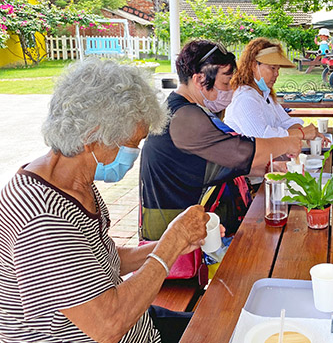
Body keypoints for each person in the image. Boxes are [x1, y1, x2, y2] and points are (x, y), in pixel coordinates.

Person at [0, 59, 209, 343]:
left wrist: (172, 245)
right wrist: (170, 245)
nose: (133, 154)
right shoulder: (41, 218)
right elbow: (108, 326)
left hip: (140, 325)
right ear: (92, 137)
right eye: (132, 143)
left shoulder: (72, 181)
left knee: (222, 323)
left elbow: (99, 260)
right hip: (113, 327)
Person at [140, 40, 301, 241]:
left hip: (189, 225)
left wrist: (265, 168)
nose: (230, 91)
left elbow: (212, 160)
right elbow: (241, 151)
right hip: (176, 238)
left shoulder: (185, 110)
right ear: (199, 80)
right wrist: (289, 141)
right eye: (225, 84)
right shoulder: (185, 118)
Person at [224, 37, 321, 142]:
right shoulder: (245, 98)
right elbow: (262, 136)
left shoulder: (265, 95)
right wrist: (301, 133)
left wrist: (309, 132)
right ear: (254, 66)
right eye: (272, 68)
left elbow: (285, 122)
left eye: (278, 69)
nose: (276, 74)